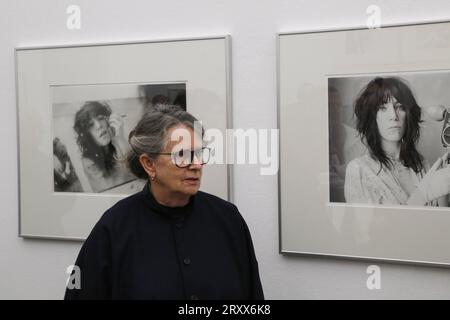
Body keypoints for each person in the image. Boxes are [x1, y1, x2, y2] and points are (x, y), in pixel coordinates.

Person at [64, 104, 264, 300]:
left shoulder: (228, 219)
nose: (196, 165)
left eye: (199, 153)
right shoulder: (113, 228)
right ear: (149, 164)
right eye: (182, 155)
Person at [344, 77, 450, 206]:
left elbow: (439, 221)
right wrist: (423, 194)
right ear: (372, 117)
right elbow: (373, 226)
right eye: (382, 108)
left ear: (408, 114)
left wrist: (444, 190)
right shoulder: (359, 170)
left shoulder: (421, 165)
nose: (393, 116)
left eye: (400, 107)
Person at [73, 101, 134, 193]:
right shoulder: (88, 162)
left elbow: (138, 173)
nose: (98, 126)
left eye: (100, 118)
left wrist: (120, 139)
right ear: (87, 134)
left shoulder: (119, 139)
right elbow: (117, 189)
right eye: (91, 125)